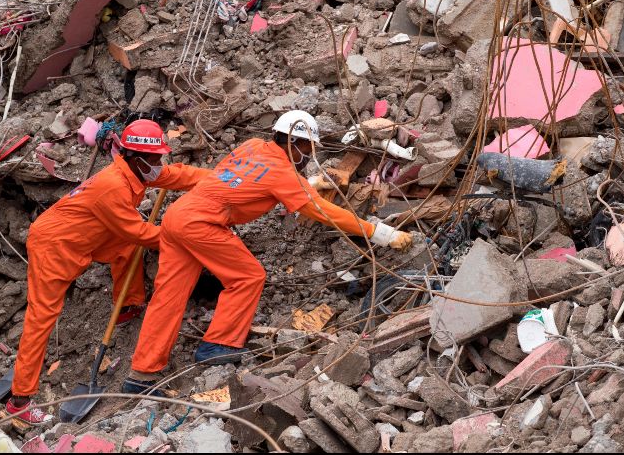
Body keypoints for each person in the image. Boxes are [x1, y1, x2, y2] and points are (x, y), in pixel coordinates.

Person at [123, 110, 413, 393]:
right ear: (295, 143)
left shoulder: (253, 146)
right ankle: (217, 346)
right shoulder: (283, 174)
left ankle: (142, 374)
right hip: (202, 223)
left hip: (178, 216)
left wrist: (305, 184)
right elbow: (321, 211)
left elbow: (240, 177)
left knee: (168, 296)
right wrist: (380, 234)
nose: (309, 155)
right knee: (247, 276)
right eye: (308, 148)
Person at [6, 119, 210, 424]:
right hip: (55, 244)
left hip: (90, 236)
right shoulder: (112, 186)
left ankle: (128, 304)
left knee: (124, 249)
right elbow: (142, 233)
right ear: (136, 157)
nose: (160, 164)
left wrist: (219, 179)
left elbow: (176, 175)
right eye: (155, 159)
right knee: (42, 316)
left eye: (160, 158)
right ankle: (20, 400)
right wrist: (183, 237)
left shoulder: (135, 170)